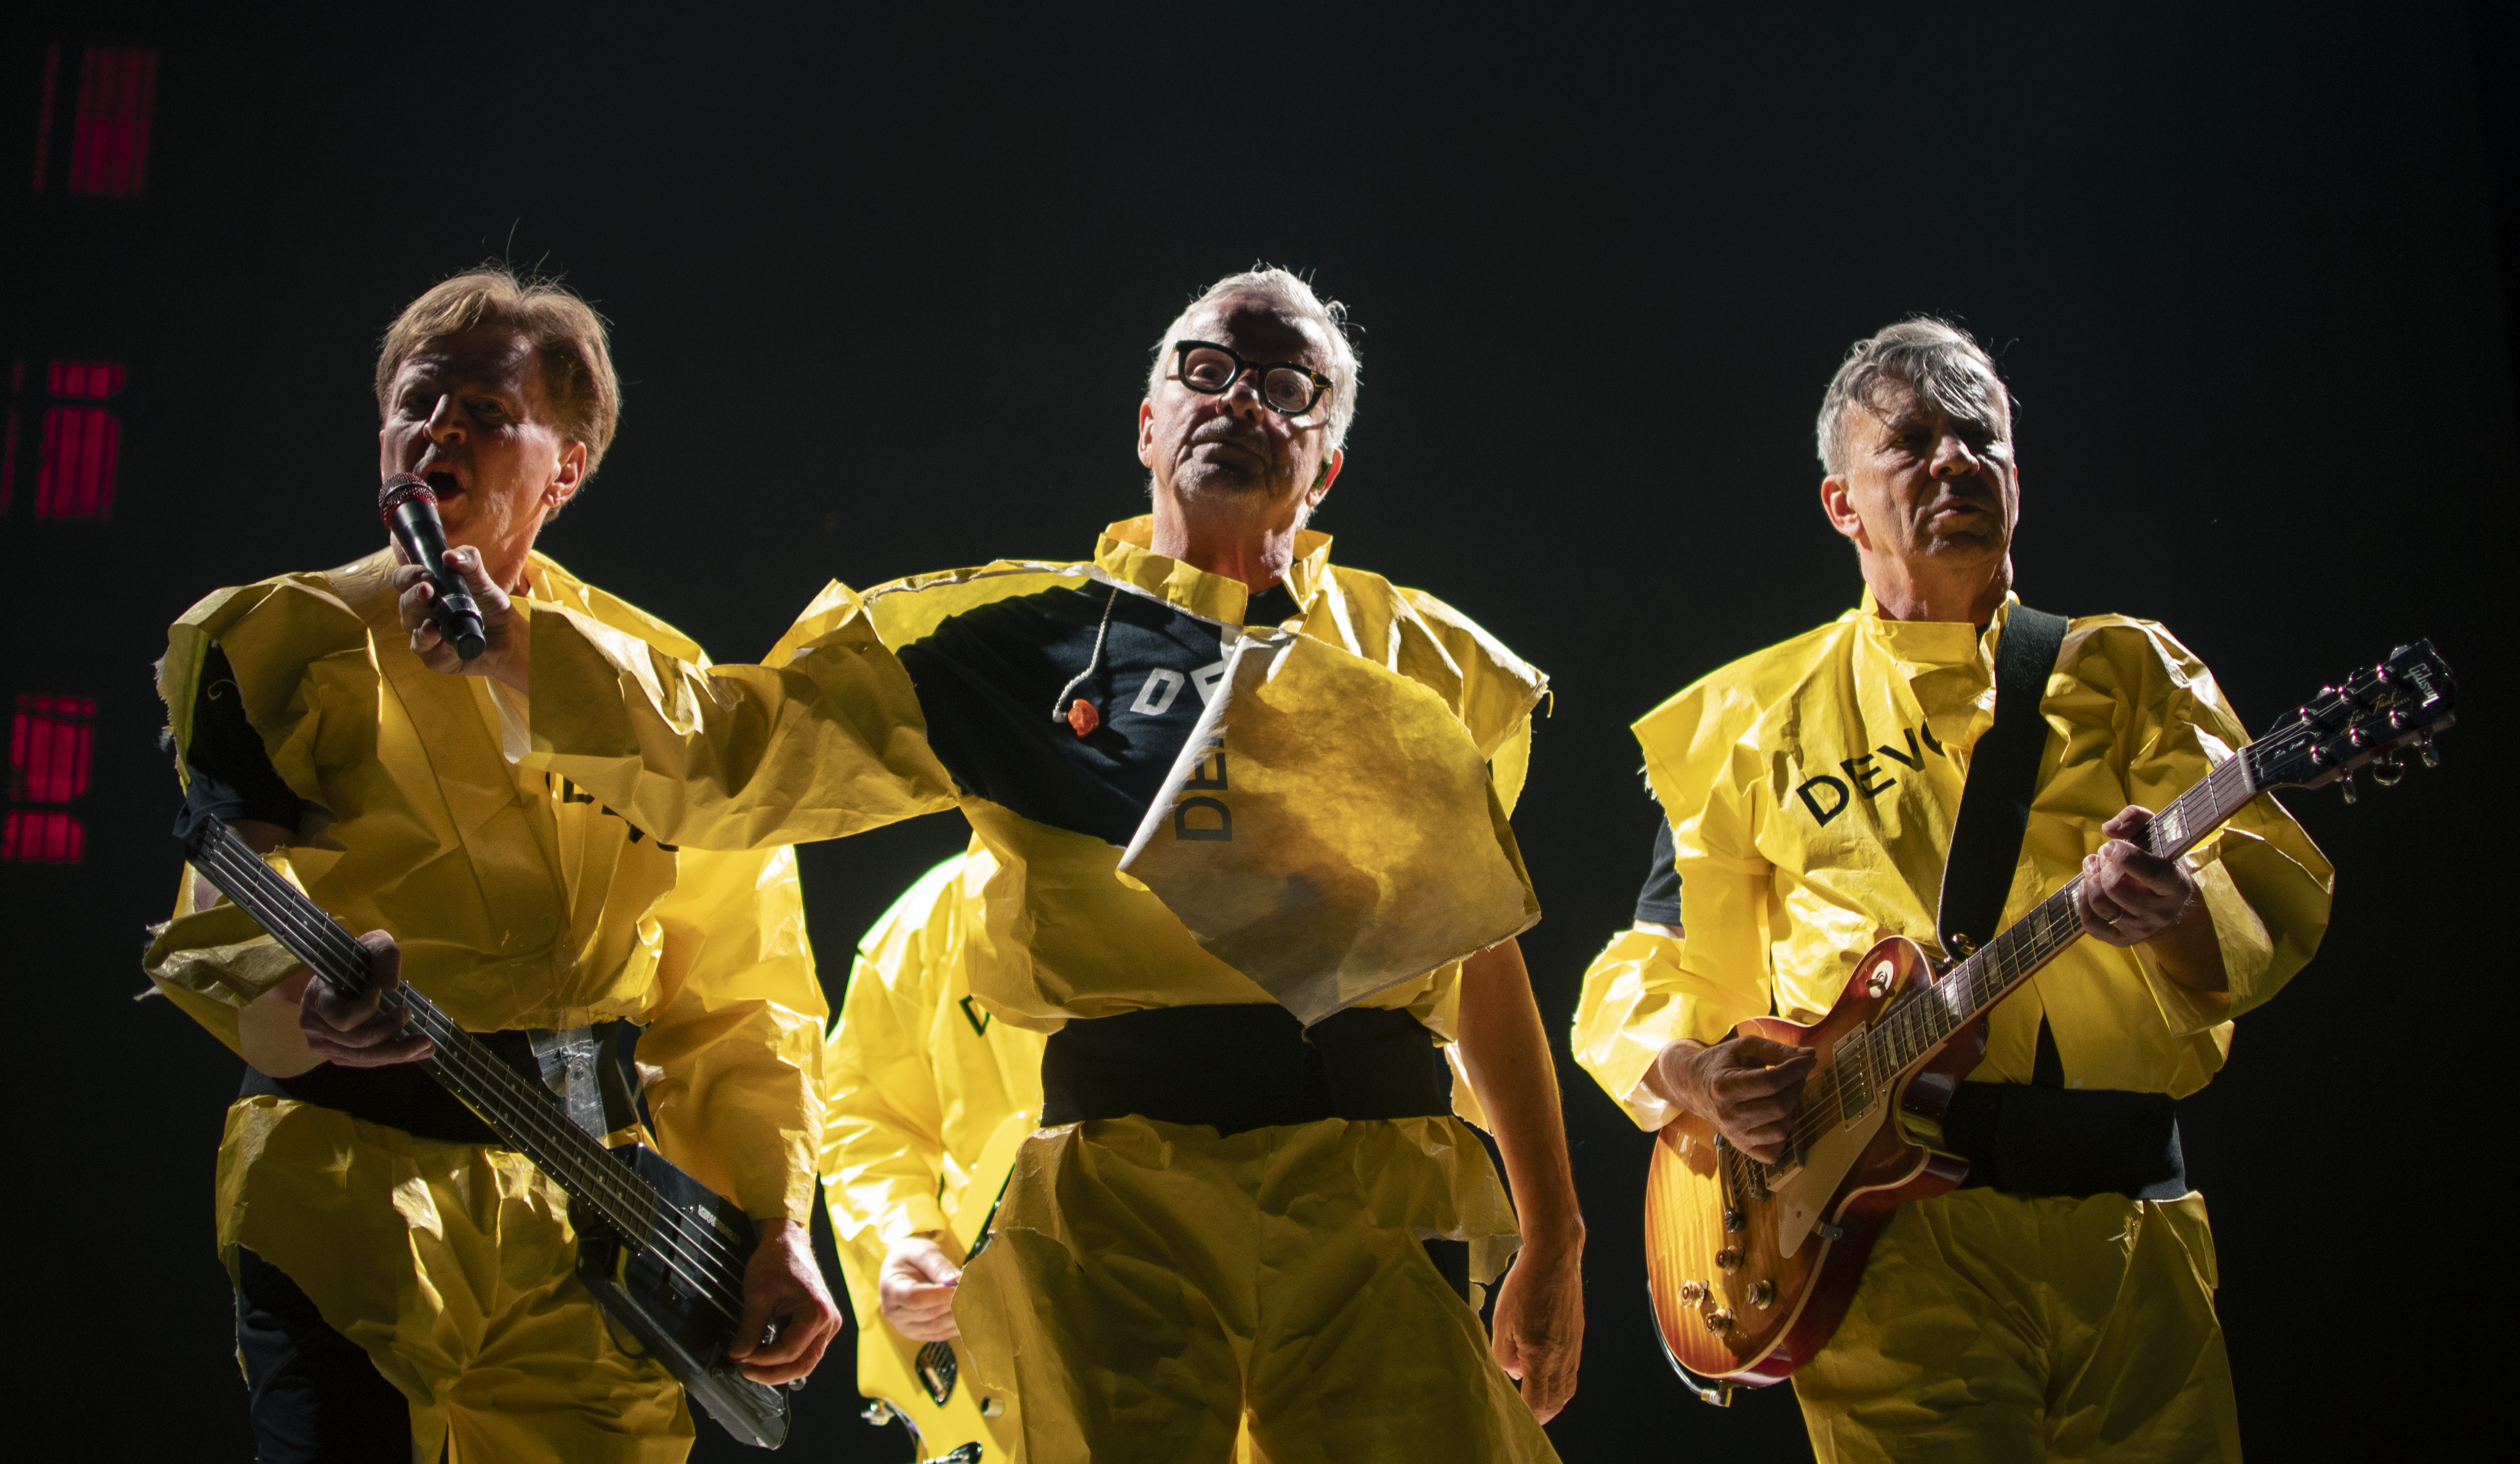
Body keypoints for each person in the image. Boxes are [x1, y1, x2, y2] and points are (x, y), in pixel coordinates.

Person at [403, 267, 1585, 1462]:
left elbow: (1477, 952)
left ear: (1326, 460)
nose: (1241, 402)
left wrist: (1557, 1233)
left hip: (1375, 1196)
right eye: (1207, 371)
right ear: (1148, 424)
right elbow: (736, 754)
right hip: (1128, 1198)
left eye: (1289, 387)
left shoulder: (1424, 664)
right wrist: (517, 642)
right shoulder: (1023, 651)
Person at [1571, 318, 2332, 1461]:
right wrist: (1694, 1071)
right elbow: (1650, 963)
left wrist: (2172, 919)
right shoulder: (1743, 722)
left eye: (1981, 439)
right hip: (1891, 1254)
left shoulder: (2127, 671)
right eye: (1913, 441)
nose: (1954, 462)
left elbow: (2257, 893)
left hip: (2129, 1231)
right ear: (1840, 505)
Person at [144, 269, 841, 1463]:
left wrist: (781, 1217)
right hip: (346, 1180)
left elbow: (741, 988)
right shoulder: (274, 640)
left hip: (596, 1216)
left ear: (567, 467)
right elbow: (223, 893)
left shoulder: (659, 677)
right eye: (418, 403)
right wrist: (300, 1005)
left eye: (486, 410)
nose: (440, 432)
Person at [823, 846, 1042, 1461]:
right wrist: (902, 1236)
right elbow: (864, 1115)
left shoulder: (1202, 887)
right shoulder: (927, 924)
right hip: (986, 1367)